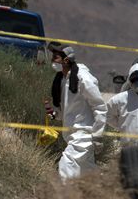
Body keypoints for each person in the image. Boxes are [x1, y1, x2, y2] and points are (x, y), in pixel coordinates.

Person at [46, 42, 107, 180]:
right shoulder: (61, 79)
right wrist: (54, 114)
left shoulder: (83, 78)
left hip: (84, 135)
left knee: (66, 167)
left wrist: (97, 135)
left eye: (55, 57)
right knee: (88, 178)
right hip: (71, 136)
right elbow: (65, 113)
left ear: (66, 60)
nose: (52, 60)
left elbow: (99, 107)